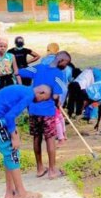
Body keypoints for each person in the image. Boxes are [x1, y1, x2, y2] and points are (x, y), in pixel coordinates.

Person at [0, 84, 53, 198]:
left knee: (9, 153)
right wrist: (14, 136)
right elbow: (10, 115)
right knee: (12, 151)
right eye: (42, 99)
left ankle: (10, 192)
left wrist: (14, 129)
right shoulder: (29, 95)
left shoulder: (24, 90)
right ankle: (21, 193)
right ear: (41, 92)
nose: (39, 102)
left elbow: (8, 112)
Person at [19, 51, 71, 179]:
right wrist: (58, 101)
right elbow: (55, 95)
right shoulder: (58, 74)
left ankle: (40, 168)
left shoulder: (37, 68)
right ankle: (52, 170)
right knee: (50, 139)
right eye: (66, 63)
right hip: (47, 111)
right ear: (61, 61)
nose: (66, 66)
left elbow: (20, 72)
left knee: (37, 138)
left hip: (33, 110)